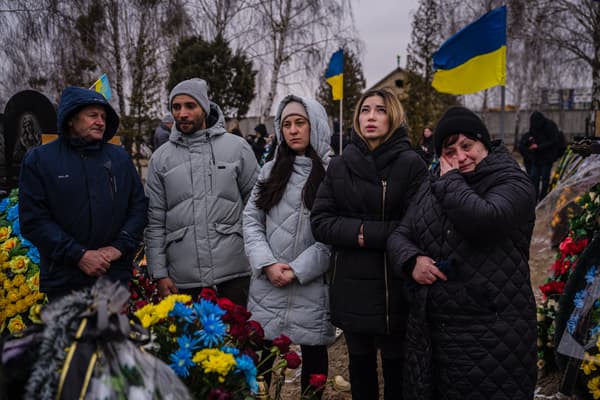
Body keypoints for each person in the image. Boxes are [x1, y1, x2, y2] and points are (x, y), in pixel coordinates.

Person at [387, 106, 537, 399]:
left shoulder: (512, 181)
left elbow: (485, 221)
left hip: (491, 332)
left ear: (484, 143)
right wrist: (411, 261)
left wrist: (450, 180)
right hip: (436, 333)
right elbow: (400, 234)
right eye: (450, 150)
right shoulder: (433, 186)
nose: (460, 157)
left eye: (467, 146)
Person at [310, 87, 428, 400]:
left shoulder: (411, 164)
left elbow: (415, 224)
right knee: (360, 369)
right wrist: (365, 231)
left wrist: (361, 234)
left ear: (393, 116)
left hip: (394, 285)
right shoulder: (339, 165)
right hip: (351, 285)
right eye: (364, 110)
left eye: (379, 110)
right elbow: (320, 222)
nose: (370, 117)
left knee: (396, 371)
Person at [18, 86, 148, 302]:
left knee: (113, 336)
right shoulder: (40, 160)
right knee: (70, 336)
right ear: (71, 118)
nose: (100, 122)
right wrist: (79, 255)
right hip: (65, 281)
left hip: (113, 277)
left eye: (104, 117)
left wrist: (118, 247)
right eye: (93, 115)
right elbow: (34, 220)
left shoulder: (119, 158)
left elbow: (138, 207)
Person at [243, 95, 335, 396]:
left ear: (316, 126)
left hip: (311, 285)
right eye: (286, 124)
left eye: (300, 123)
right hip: (269, 284)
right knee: (262, 363)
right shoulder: (270, 171)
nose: (293, 130)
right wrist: (268, 264)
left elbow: (333, 235)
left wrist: (297, 269)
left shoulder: (333, 175)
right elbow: (252, 222)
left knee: (314, 361)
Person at [145, 78, 259, 306]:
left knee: (239, 341)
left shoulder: (237, 148)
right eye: (176, 107)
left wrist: (260, 260)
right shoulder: (160, 159)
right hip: (184, 279)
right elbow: (154, 221)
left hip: (235, 273)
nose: (182, 113)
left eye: (190, 106)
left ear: (205, 108)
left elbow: (256, 207)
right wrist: (159, 273)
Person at [527, 111, 559, 201]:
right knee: (534, 178)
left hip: (547, 157)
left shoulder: (550, 126)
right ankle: (534, 197)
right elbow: (531, 134)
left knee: (545, 179)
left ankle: (543, 197)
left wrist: (539, 146)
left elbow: (554, 141)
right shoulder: (533, 125)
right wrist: (531, 139)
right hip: (536, 157)